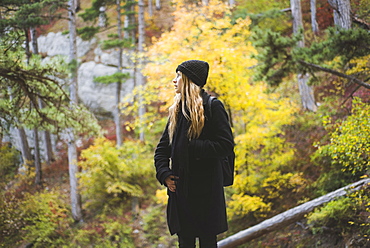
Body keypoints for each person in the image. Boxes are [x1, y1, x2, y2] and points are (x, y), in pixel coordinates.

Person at [154, 60, 234, 248]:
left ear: (189, 80)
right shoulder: (176, 111)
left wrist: (191, 146)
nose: (174, 81)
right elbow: (161, 150)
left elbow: (225, 145)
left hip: (207, 193)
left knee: (207, 242)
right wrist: (165, 174)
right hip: (182, 192)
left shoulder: (213, 107)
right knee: (185, 243)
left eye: (178, 77)